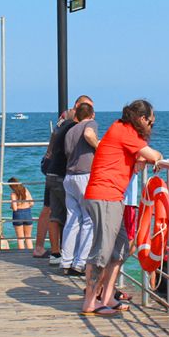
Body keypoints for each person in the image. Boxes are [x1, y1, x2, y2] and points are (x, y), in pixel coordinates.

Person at [81, 99, 162, 316]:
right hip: (105, 196)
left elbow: (137, 157)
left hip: (114, 197)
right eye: (151, 123)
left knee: (122, 246)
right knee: (102, 251)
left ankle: (107, 296)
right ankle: (90, 302)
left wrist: (140, 158)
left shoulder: (124, 131)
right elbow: (153, 155)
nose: (151, 127)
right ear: (142, 119)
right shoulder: (125, 130)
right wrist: (154, 157)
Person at [44, 95, 93, 267]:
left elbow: (53, 142)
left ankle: (57, 254)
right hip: (65, 174)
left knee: (55, 215)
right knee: (76, 216)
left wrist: (48, 156)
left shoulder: (62, 125)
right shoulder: (75, 127)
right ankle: (76, 258)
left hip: (52, 172)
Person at [60, 101, 99, 275]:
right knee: (89, 219)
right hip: (85, 175)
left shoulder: (70, 130)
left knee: (72, 220)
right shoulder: (90, 124)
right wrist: (99, 146)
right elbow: (89, 134)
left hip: (69, 176)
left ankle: (66, 261)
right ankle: (80, 262)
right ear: (92, 114)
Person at [8, 177, 35, 250]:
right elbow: (32, 203)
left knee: (20, 238)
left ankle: (21, 254)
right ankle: (30, 252)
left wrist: (11, 206)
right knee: (28, 237)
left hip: (18, 214)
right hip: (27, 213)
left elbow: (15, 208)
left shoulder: (13, 194)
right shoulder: (26, 190)